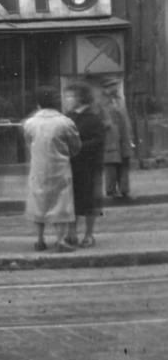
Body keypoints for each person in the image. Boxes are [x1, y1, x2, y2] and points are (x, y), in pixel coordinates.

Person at [24, 87, 80, 252]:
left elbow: (29, 143)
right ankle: (60, 240)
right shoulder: (65, 122)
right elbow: (76, 146)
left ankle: (39, 240)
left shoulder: (30, 123)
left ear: (38, 103)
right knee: (61, 202)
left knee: (39, 201)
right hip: (60, 167)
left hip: (38, 168)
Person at [66, 84, 105, 248]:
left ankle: (89, 234)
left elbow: (98, 141)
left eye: (71, 96)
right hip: (72, 165)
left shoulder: (93, 116)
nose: (68, 100)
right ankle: (72, 232)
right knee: (71, 200)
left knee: (89, 201)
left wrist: (78, 146)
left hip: (89, 166)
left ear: (80, 98)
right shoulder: (69, 116)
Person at [102, 90, 135, 201]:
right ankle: (112, 190)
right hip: (112, 143)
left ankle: (122, 190)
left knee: (121, 166)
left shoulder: (119, 108)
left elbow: (125, 124)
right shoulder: (107, 109)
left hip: (121, 142)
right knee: (112, 167)